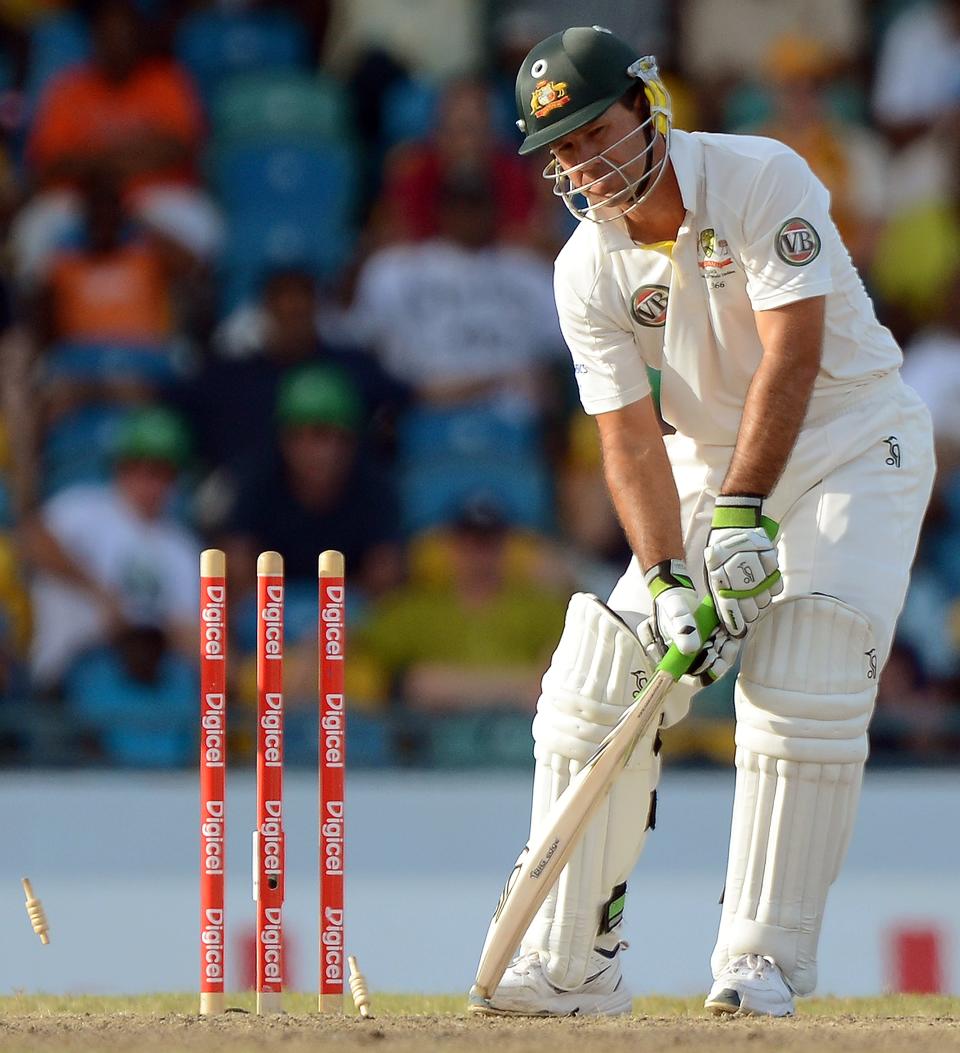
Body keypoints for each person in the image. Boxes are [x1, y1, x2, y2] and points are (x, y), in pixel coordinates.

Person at [469, 26, 935, 1019]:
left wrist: (738, 517)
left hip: (854, 440)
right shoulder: (583, 270)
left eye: (598, 132)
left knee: (803, 668)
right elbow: (629, 442)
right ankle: (571, 963)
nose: (585, 164)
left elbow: (792, 359)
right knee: (598, 679)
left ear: (649, 106)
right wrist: (673, 577)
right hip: (703, 461)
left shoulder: (760, 175)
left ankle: (761, 962)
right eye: (564, 151)